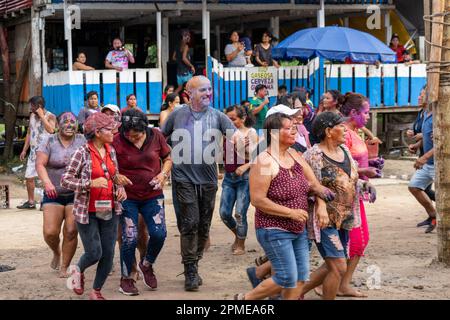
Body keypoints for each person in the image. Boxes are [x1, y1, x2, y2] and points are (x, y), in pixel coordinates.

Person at [234, 113, 331, 300]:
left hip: (298, 228)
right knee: (286, 276)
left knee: (301, 277)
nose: (294, 130)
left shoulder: (295, 155)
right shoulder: (264, 160)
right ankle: (244, 300)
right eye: (288, 128)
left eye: (294, 126)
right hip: (273, 228)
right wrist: (290, 212)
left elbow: (314, 184)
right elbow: (257, 200)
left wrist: (322, 204)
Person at [161, 75, 236, 291]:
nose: (208, 93)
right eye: (202, 90)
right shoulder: (177, 115)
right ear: (189, 93)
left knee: (203, 227)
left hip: (209, 179)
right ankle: (190, 271)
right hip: (183, 177)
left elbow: (235, 137)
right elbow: (160, 138)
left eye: (209, 89)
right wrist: (165, 162)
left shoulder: (218, 116)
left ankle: (195, 261)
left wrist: (241, 141)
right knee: (190, 222)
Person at [300, 111, 376, 300]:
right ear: (328, 131)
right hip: (324, 220)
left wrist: (364, 184)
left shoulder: (345, 151)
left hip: (345, 217)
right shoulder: (313, 155)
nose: (345, 129)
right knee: (339, 265)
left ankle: (291, 294)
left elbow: (349, 179)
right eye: (340, 126)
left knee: (333, 266)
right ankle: (291, 293)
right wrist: (321, 206)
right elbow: (309, 187)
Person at [62, 112, 128, 300]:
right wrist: (89, 183)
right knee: (94, 252)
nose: (113, 131)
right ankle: (77, 271)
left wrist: (120, 185)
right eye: (109, 129)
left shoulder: (110, 150)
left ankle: (96, 291)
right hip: (86, 211)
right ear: (98, 132)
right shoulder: (81, 152)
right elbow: (65, 180)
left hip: (109, 208)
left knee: (108, 254)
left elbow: (113, 175)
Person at [113, 109, 172, 295]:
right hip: (127, 197)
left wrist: (163, 174)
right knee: (129, 237)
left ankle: (146, 264)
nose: (132, 138)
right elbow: (108, 164)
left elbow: (167, 158)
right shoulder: (116, 140)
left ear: (144, 129)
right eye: (128, 135)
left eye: (136, 135)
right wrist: (116, 176)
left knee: (159, 234)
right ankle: (126, 279)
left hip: (153, 194)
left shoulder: (156, 135)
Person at [339, 93, 381, 297]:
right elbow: (340, 164)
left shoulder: (356, 132)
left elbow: (357, 160)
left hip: (357, 192)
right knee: (354, 241)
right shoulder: (343, 134)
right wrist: (364, 173)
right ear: (354, 113)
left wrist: (371, 164)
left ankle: (342, 283)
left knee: (360, 240)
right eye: (366, 112)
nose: (369, 117)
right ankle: (331, 283)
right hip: (346, 194)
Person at [35, 112, 86, 277]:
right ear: (58, 124)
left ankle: (65, 265)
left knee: (71, 231)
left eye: (73, 122)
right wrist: (47, 183)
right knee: (50, 232)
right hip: (53, 193)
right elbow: (40, 164)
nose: (70, 125)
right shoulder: (49, 141)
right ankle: (56, 251)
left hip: (76, 193)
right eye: (66, 121)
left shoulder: (82, 140)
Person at [220, 105, 258, 255]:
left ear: (243, 118)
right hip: (229, 177)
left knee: (240, 213)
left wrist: (245, 165)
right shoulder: (226, 134)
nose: (229, 122)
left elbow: (257, 157)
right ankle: (238, 234)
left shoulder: (251, 132)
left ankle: (241, 244)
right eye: (227, 119)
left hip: (245, 177)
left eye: (233, 119)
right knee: (224, 213)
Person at [18, 96, 56, 210]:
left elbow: (51, 130)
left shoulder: (50, 116)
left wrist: (42, 116)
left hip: (46, 152)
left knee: (45, 178)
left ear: (39, 106)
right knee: (29, 177)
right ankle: (30, 202)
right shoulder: (32, 116)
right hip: (33, 152)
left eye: (33, 106)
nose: (31, 108)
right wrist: (25, 150)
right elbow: (29, 133)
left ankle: (46, 202)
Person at [408, 87, 437, 233]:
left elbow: (443, 142)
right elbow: (427, 136)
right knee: (414, 186)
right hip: (428, 162)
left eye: (422, 94)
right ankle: (433, 215)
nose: (419, 97)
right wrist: (417, 145)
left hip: (440, 164)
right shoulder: (425, 113)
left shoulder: (438, 115)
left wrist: (424, 157)